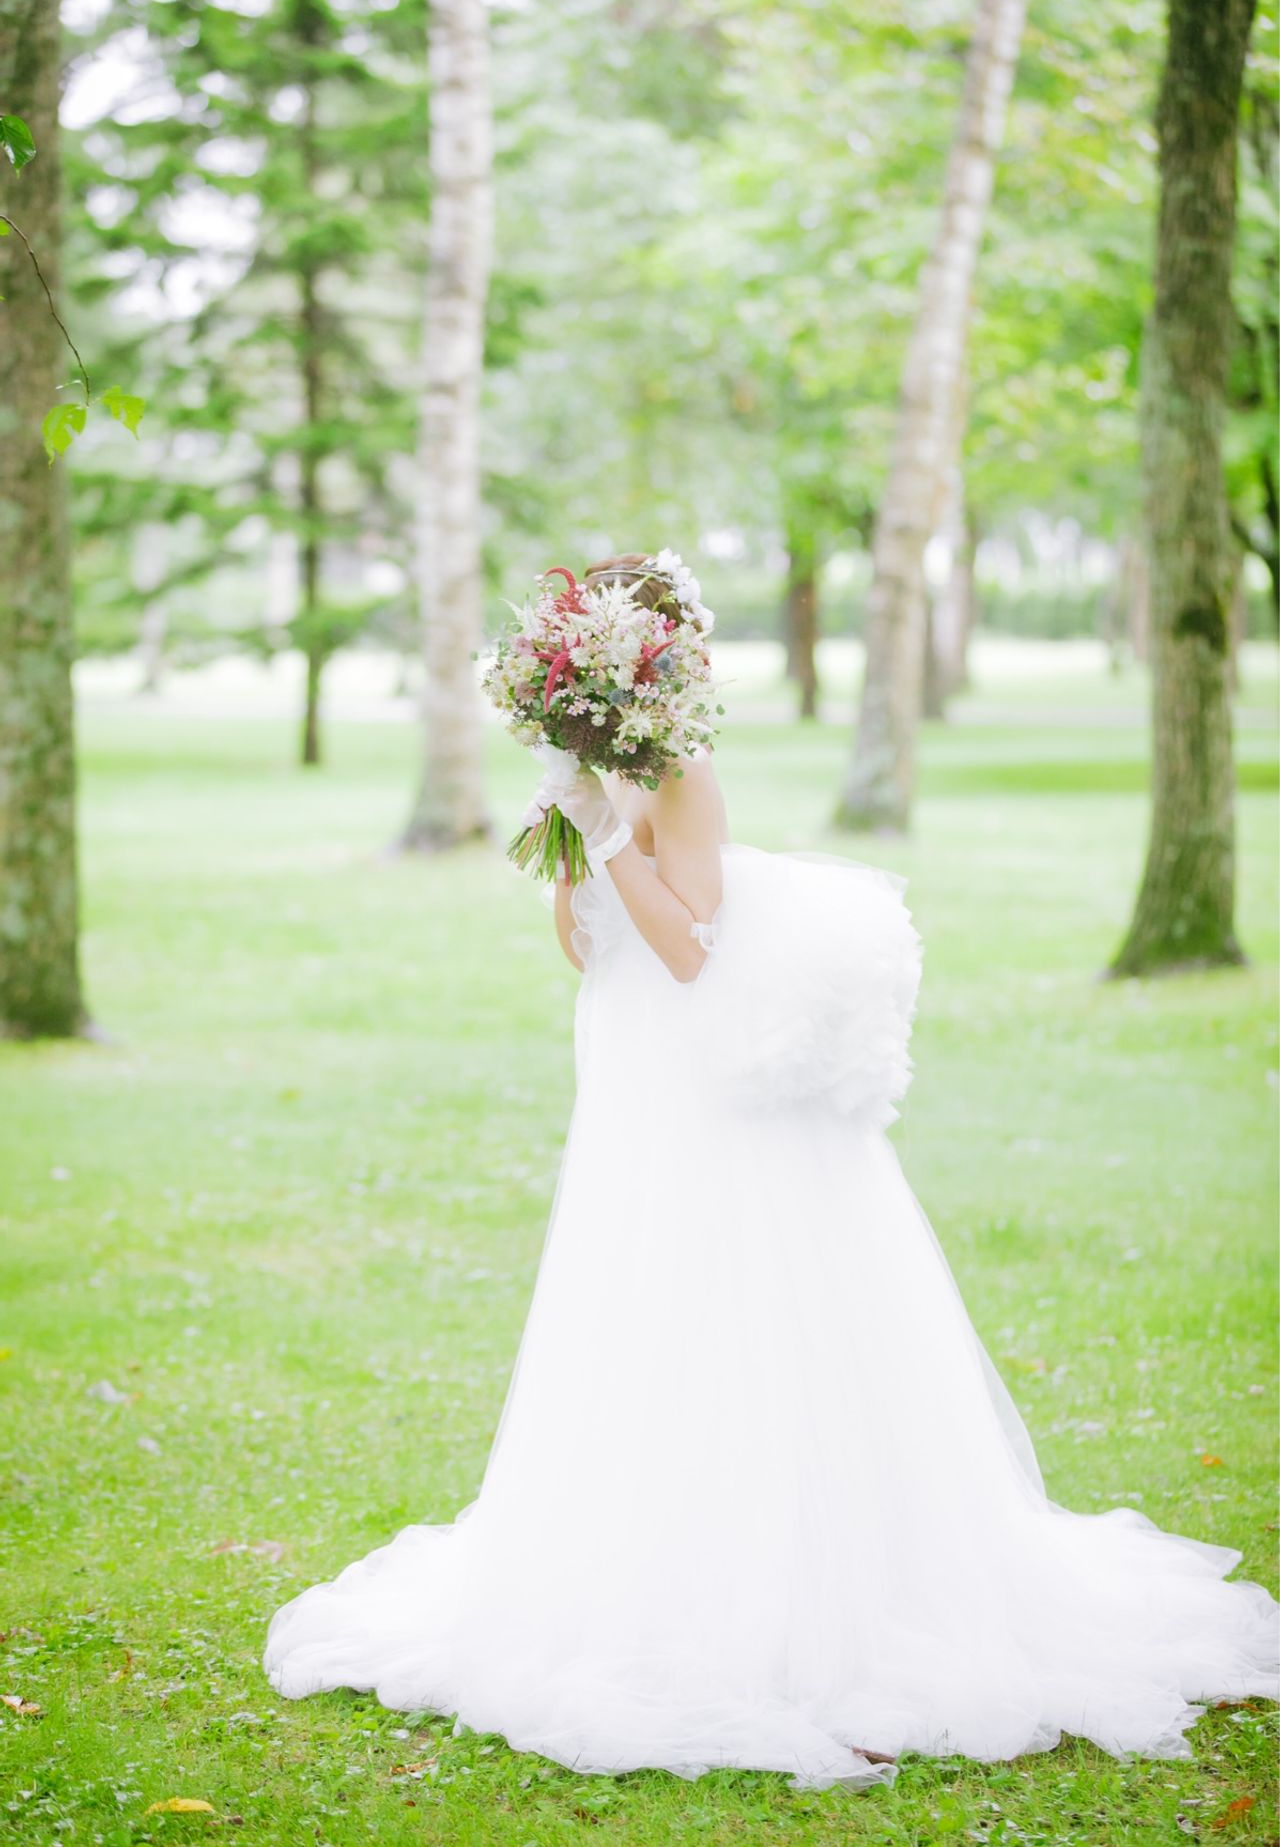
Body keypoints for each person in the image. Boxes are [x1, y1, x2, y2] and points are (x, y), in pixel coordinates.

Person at [264, 556, 1279, 1791]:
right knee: (642, 1305)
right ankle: (641, 1557)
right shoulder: (602, 766)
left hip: (702, 1073)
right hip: (634, 1071)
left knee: (736, 1302)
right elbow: (588, 950)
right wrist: (571, 832)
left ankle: (789, 1581)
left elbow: (691, 945)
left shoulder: (682, 771)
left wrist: (608, 833)